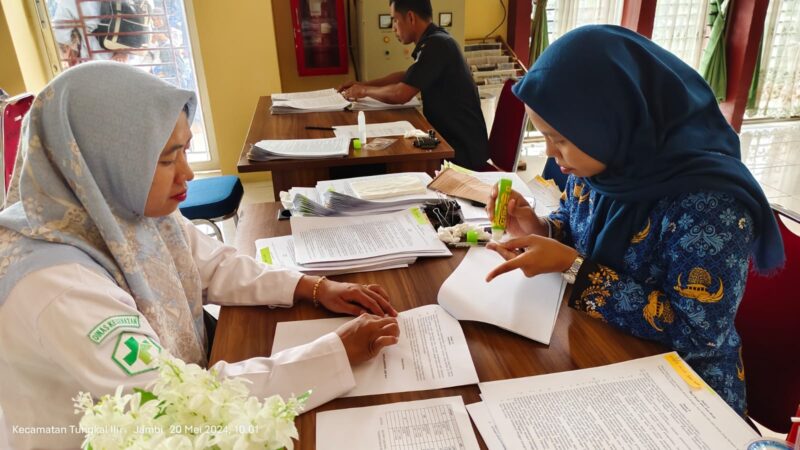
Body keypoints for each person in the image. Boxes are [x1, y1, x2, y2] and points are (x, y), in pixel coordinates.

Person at [0, 62, 400, 449]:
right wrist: (332, 353)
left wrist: (311, 286)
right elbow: (173, 403)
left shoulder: (117, 207)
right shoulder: (55, 285)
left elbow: (213, 263)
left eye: (185, 151)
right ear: (103, 162)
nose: (187, 173)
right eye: (167, 159)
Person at [485, 25, 785, 416]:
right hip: (604, 350)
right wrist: (541, 229)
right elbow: (578, 227)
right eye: (542, 136)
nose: (551, 154)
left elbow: (697, 332)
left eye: (559, 139)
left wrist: (572, 267)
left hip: (686, 392)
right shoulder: (603, 167)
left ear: (610, 120)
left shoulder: (711, 204)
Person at [337, 0, 489, 171]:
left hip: (460, 152)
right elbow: (406, 77)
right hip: (449, 141)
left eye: (395, 19)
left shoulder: (437, 44)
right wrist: (361, 84)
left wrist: (364, 91)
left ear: (410, 17)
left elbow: (401, 93)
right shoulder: (435, 40)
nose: (393, 27)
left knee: (386, 163)